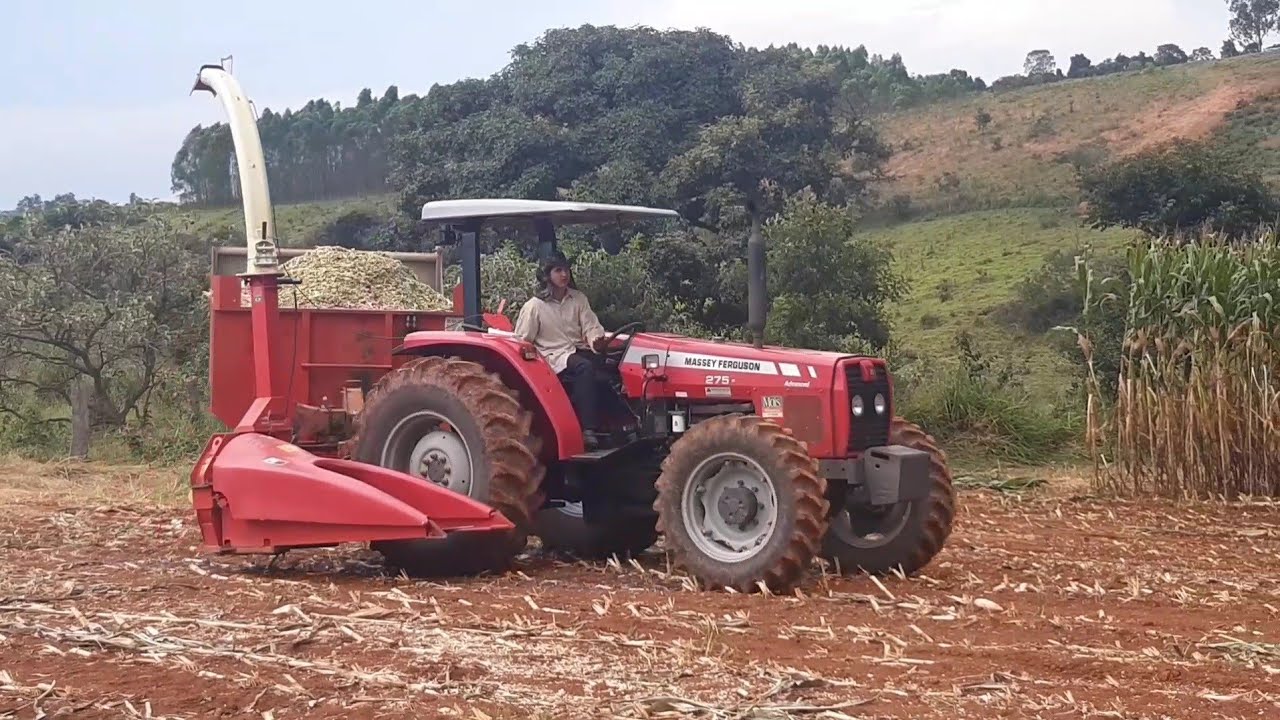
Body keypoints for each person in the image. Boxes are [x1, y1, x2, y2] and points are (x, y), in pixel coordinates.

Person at [514, 250, 611, 449]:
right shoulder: (535, 306)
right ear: (547, 275)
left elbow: (591, 326)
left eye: (566, 270)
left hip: (577, 350)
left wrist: (596, 341)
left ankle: (617, 425)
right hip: (552, 357)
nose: (564, 275)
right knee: (584, 367)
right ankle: (587, 430)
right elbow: (522, 341)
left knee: (612, 366)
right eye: (558, 270)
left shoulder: (578, 299)